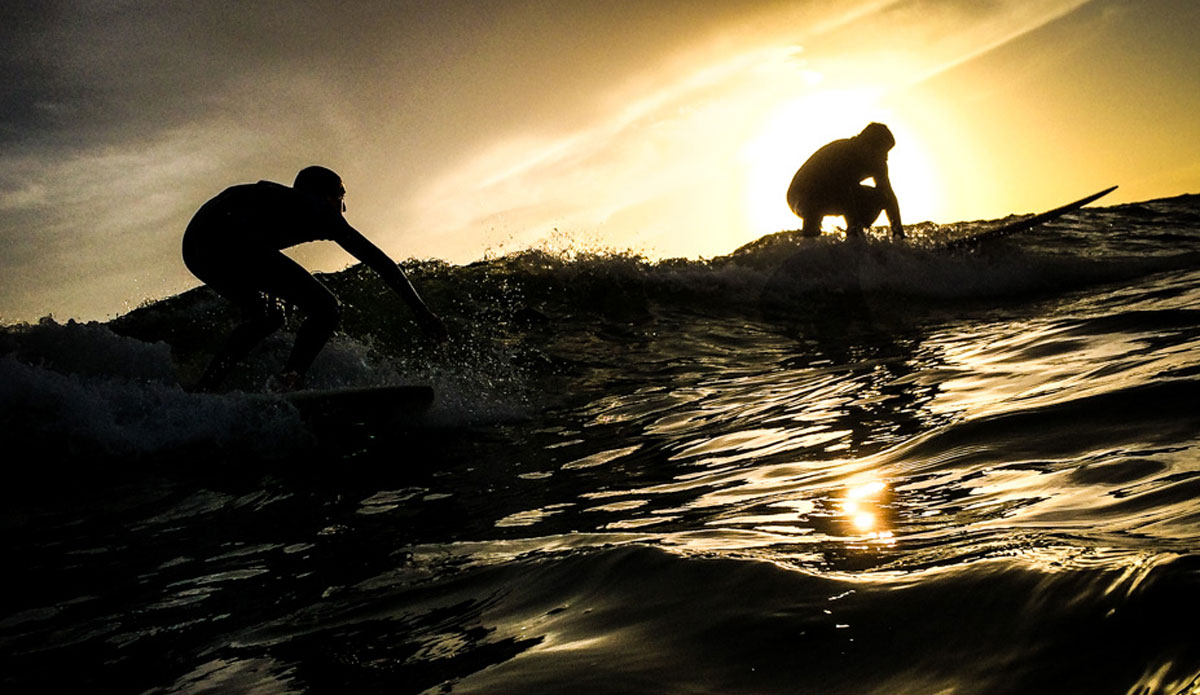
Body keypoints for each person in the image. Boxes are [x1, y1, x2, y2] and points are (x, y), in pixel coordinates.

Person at [182, 165, 448, 392]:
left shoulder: (289, 203)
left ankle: (206, 388)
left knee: (267, 317)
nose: (343, 206)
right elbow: (380, 262)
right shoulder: (317, 210)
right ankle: (289, 381)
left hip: (196, 250)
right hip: (220, 240)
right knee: (326, 308)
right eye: (339, 196)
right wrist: (422, 312)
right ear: (325, 195)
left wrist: (267, 276)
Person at [785, 122, 904, 240]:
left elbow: (889, 196)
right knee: (828, 200)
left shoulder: (878, 163)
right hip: (802, 195)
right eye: (883, 152)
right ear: (867, 146)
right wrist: (854, 227)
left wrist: (898, 233)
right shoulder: (843, 152)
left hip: (839, 193)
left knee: (881, 197)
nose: (885, 157)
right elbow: (844, 191)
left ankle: (858, 235)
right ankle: (810, 240)